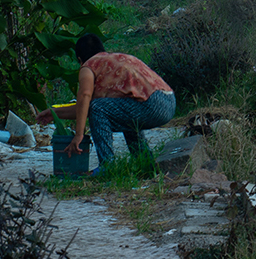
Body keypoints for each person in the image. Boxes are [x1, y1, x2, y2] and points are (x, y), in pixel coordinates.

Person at [69, 33, 176, 170]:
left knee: (98, 108)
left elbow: (85, 97)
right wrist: (53, 113)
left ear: (80, 59)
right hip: (169, 101)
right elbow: (82, 108)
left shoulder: (89, 66)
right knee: (123, 113)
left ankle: (108, 166)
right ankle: (144, 162)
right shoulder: (118, 58)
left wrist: (79, 135)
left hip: (151, 104)